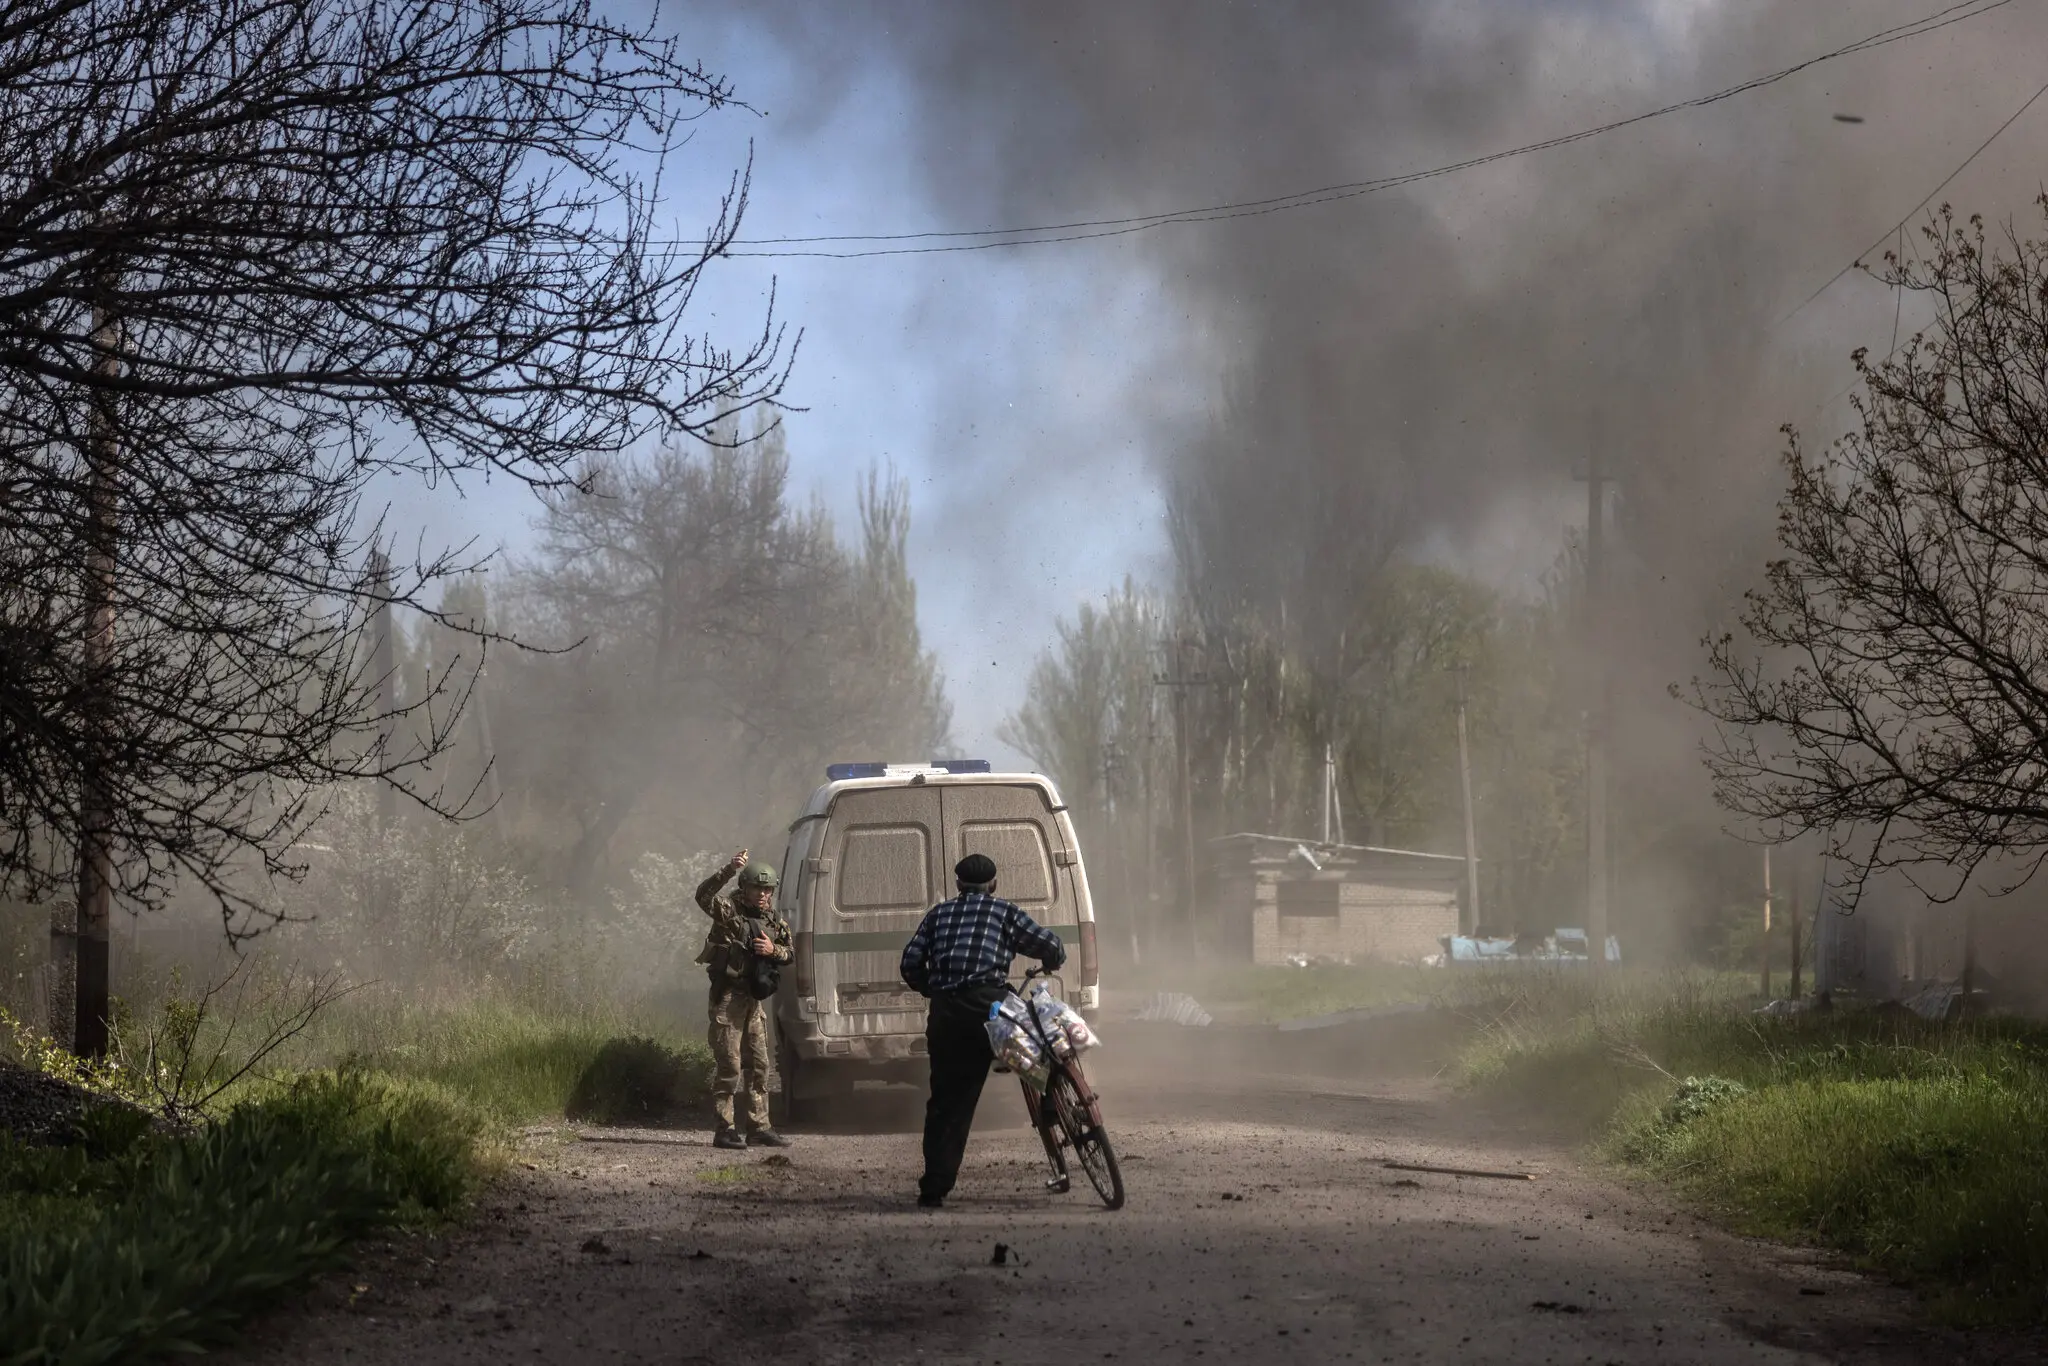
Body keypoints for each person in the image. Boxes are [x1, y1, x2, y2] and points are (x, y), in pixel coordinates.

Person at [899, 852, 1066, 1208]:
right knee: (1044, 1046)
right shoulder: (1004, 911)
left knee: (949, 1103)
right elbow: (1049, 944)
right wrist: (1052, 960)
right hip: (991, 1008)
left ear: (958, 884)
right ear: (993, 885)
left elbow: (910, 963)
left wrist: (934, 989)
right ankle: (1053, 1104)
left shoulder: (938, 915)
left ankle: (934, 1187)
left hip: (948, 1016)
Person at [694, 848, 795, 1150]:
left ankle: (759, 1127)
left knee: (760, 1066)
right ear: (745, 887)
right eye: (757, 887)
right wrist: (728, 868)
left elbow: (790, 953)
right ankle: (724, 1129)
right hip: (728, 999)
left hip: (753, 1001)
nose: (763, 894)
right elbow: (702, 896)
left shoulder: (773, 920)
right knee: (730, 1066)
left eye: (768, 889)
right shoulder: (728, 911)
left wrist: (771, 951)